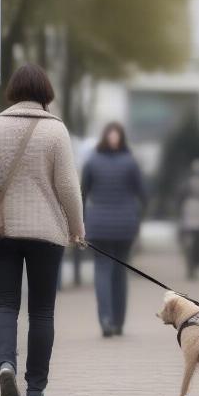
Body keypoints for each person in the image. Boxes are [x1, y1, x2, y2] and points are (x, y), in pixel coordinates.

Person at [0, 63, 85, 396]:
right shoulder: (56, 132)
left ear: (13, 91)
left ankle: (4, 364)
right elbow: (68, 187)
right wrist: (77, 227)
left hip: (0, 232)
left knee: (4, 303)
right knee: (42, 312)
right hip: (46, 231)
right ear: (46, 92)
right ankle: (35, 392)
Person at [82, 122, 146, 337]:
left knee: (102, 271)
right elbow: (143, 193)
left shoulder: (92, 161)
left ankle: (106, 321)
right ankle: (118, 322)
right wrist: (138, 217)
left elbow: (82, 192)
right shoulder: (131, 162)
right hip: (125, 225)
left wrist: (82, 220)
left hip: (98, 225)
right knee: (120, 272)